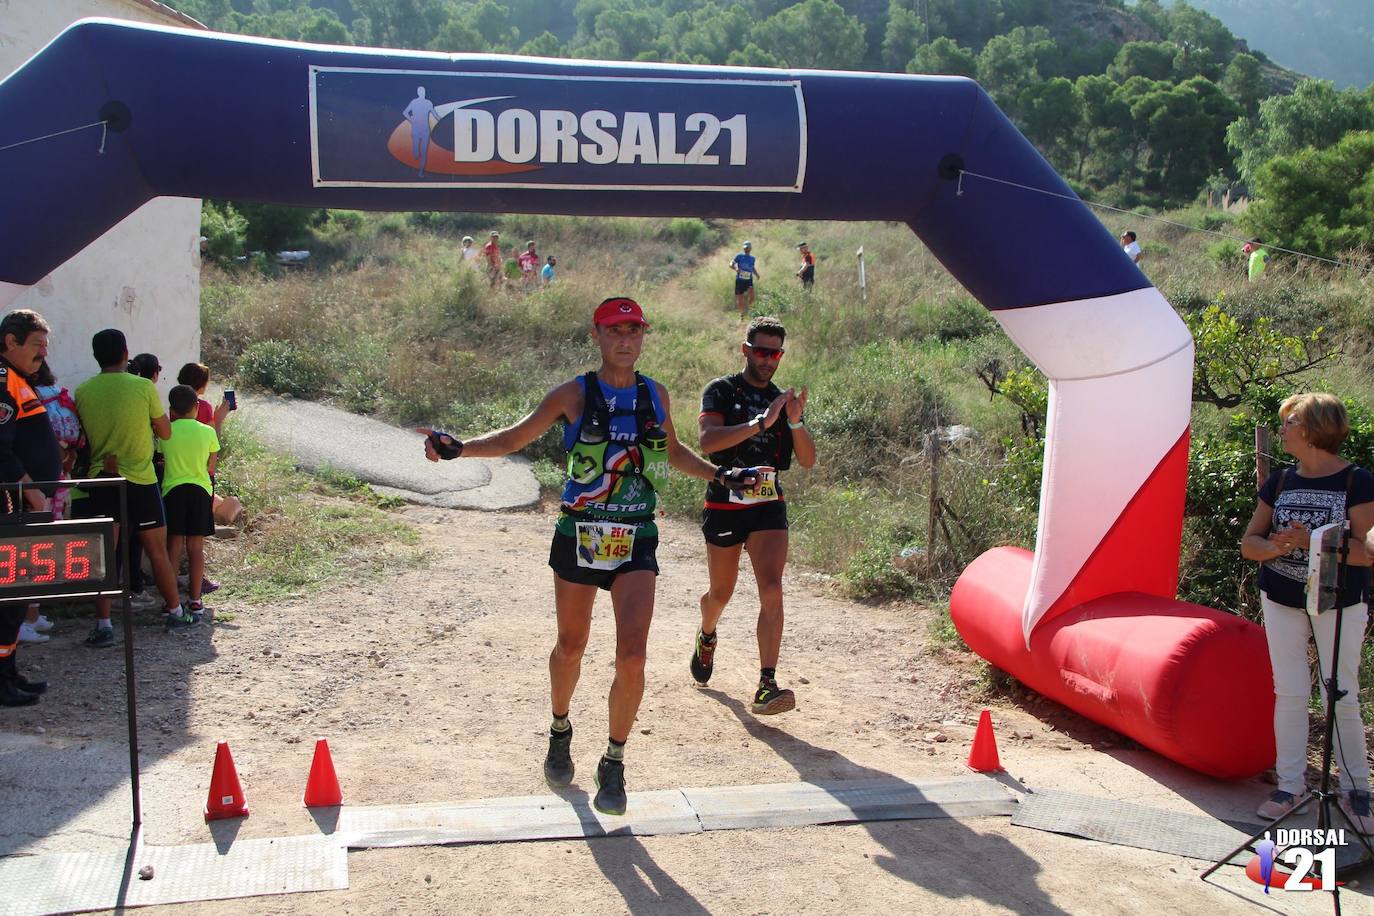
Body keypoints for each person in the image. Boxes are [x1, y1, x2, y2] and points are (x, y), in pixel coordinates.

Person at [418, 296, 754, 816]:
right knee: (571, 646)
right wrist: (459, 448)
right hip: (580, 532)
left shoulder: (655, 395)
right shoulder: (574, 394)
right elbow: (514, 438)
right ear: (597, 336)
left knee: (634, 655)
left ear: (643, 336)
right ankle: (559, 727)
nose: (625, 339)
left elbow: (674, 452)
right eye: (614, 330)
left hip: (636, 536)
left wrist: (721, 474)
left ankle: (614, 761)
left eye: (634, 330)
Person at [1242, 393, 1374, 833]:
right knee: (1291, 691)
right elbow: (1249, 544)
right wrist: (1275, 546)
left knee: (1342, 693)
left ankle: (1358, 792)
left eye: (1289, 421)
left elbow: (1366, 553)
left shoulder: (1357, 481)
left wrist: (1309, 539)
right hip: (1280, 596)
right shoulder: (1279, 481)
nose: (1281, 429)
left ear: (1313, 430)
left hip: (1338, 600)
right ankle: (1290, 786)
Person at [691, 316, 816, 715]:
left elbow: (808, 460)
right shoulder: (722, 391)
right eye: (761, 351)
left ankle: (767, 683)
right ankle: (707, 635)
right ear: (745, 349)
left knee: (772, 588)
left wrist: (793, 421)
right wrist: (761, 422)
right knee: (720, 594)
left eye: (775, 353)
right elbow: (708, 442)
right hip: (725, 503)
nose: (767, 360)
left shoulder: (781, 398)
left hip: (767, 505)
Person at [75, 329, 194, 649]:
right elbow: (165, 432)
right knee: (156, 549)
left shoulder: (83, 391)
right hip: (141, 479)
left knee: (105, 556)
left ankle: (103, 625)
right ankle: (175, 611)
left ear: (96, 355)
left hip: (102, 478)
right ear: (126, 353)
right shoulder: (143, 387)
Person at [0, 310, 62, 706]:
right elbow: (0, 451)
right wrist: (31, 490)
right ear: (10, 341)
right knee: (6, 600)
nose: (44, 354)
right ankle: (2, 683)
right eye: (37, 345)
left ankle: (9, 673)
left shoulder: (18, 380)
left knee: (17, 597)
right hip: (13, 506)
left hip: (25, 505)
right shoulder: (3, 381)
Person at [17, 359, 85, 647]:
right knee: (40, 546)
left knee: (28, 547)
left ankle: (28, 615)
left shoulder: (29, 396)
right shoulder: (59, 396)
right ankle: (30, 614)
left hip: (31, 484)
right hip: (56, 481)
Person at [158, 385, 219, 619]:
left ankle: (170, 602)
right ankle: (195, 600)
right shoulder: (207, 432)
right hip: (201, 490)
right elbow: (211, 467)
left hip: (172, 491)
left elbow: (161, 461)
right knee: (196, 548)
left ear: (171, 410)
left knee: (173, 547)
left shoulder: (166, 433)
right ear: (197, 407)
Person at [403, 86, 436, 177]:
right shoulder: (414, 102)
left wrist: (442, 121)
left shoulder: (428, 103)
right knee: (416, 153)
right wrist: (412, 120)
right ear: (418, 93)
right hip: (416, 129)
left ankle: (421, 172)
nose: (423, 93)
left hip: (425, 130)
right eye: (421, 91)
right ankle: (415, 154)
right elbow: (405, 112)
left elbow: (435, 114)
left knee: (424, 152)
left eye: (423, 91)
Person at [729, 241, 760, 318]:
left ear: (750, 248)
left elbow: (752, 267)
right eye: (745, 248)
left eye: (748, 248)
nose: (747, 249)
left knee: (752, 296)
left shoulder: (752, 258)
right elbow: (731, 264)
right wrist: (736, 268)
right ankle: (741, 315)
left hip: (749, 280)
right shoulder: (739, 256)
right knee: (740, 298)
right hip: (740, 280)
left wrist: (756, 274)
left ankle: (752, 312)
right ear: (743, 248)